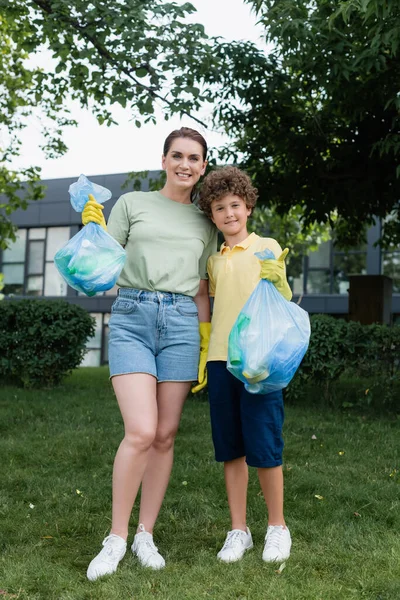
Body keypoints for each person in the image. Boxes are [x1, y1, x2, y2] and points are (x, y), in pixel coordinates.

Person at [83, 128, 218, 581]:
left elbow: (202, 288)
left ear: (203, 166)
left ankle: (146, 533)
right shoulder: (133, 204)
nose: (185, 164)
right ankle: (116, 537)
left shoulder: (206, 221)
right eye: (177, 155)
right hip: (131, 316)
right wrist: (91, 227)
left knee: (165, 433)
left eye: (194, 158)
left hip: (181, 322)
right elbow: (100, 256)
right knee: (140, 430)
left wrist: (204, 341)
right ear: (163, 160)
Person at [196, 166, 292, 564]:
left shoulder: (266, 247)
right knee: (231, 449)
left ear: (248, 206)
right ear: (212, 215)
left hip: (259, 362)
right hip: (221, 360)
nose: (228, 213)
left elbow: (282, 302)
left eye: (235, 204)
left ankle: (277, 527)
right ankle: (239, 530)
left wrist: (278, 279)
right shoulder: (214, 261)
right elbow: (212, 303)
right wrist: (206, 347)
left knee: (265, 446)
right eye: (219, 208)